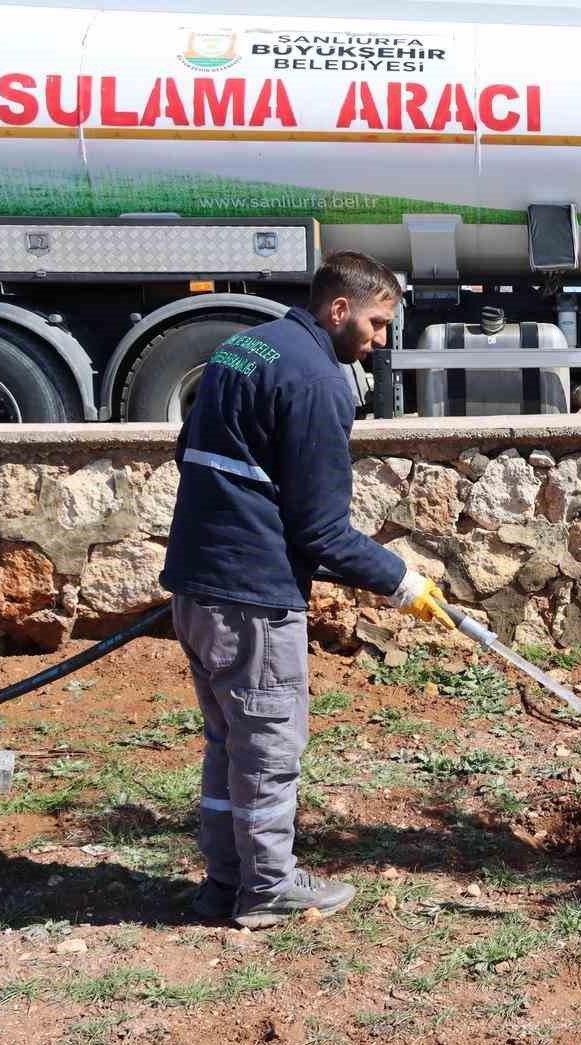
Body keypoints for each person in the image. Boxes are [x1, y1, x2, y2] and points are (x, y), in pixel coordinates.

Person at [160, 251, 453, 930]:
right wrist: (403, 582)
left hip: (197, 587)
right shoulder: (319, 381)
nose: (380, 340)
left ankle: (224, 881)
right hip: (253, 599)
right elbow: (322, 530)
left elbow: (186, 451)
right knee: (267, 747)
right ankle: (267, 887)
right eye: (377, 323)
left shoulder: (243, 348)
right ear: (339, 309)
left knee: (228, 743)